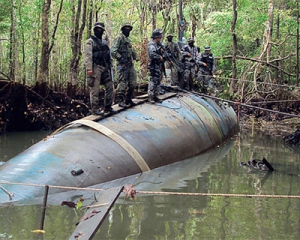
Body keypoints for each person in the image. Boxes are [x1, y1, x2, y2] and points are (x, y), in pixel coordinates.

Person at [84, 22, 116, 115]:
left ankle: (108, 107)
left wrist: (111, 67)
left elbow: (108, 55)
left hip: (105, 67)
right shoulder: (90, 41)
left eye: (101, 30)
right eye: (97, 30)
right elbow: (88, 56)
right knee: (95, 89)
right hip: (95, 67)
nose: (99, 31)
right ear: (94, 30)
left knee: (110, 86)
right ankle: (94, 109)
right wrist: (89, 69)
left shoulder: (104, 42)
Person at [111, 22, 138, 107]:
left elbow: (131, 51)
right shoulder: (119, 38)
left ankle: (128, 99)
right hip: (122, 64)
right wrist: (121, 58)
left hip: (130, 64)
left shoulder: (128, 40)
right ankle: (120, 99)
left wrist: (136, 57)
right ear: (122, 29)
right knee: (122, 82)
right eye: (126, 28)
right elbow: (113, 51)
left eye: (129, 29)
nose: (128, 30)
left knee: (133, 82)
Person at [147, 29, 164, 104]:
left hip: (158, 65)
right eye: (159, 37)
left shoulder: (159, 44)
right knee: (153, 81)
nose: (160, 38)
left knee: (158, 81)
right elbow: (152, 54)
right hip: (154, 65)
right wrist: (159, 57)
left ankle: (155, 95)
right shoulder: (152, 45)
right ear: (156, 37)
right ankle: (150, 97)